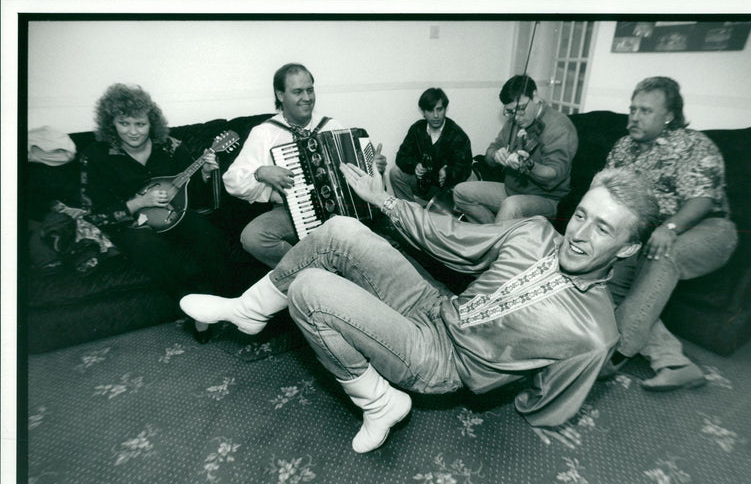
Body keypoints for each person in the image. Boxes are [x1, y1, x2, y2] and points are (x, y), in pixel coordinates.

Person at [180, 165, 659, 453]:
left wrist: (508, 390)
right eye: (581, 215)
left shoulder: (596, 333)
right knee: (341, 229)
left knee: (310, 290)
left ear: (627, 249)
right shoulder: (534, 232)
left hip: (441, 363)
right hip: (436, 306)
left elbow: (550, 401)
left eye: (602, 229)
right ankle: (250, 309)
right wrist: (384, 199)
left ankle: (380, 403)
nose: (579, 234)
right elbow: (453, 239)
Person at [601, 77, 739, 390]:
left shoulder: (693, 145)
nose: (634, 116)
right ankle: (674, 363)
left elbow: (703, 199)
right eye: (632, 108)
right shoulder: (623, 147)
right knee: (608, 278)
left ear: (669, 116)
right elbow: (606, 192)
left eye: (645, 110)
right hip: (648, 233)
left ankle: (615, 354)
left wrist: (670, 227)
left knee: (665, 254)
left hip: (708, 228)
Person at [81, 83, 236, 343]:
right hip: (130, 225)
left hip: (174, 215)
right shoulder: (96, 156)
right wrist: (139, 202)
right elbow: (96, 214)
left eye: (140, 124)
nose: (132, 131)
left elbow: (195, 196)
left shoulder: (172, 147)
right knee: (147, 246)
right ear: (111, 123)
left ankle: (231, 303)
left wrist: (207, 174)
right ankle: (194, 310)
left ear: (151, 123)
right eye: (124, 123)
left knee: (206, 233)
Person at [222, 62, 387, 268]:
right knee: (253, 237)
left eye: (310, 90)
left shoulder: (331, 125)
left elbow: (358, 171)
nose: (307, 98)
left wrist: (373, 167)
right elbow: (231, 181)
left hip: (341, 207)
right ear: (280, 95)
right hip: (291, 210)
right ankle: (317, 270)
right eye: (298, 92)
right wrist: (260, 173)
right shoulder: (264, 133)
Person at [452, 74, 578, 223]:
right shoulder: (513, 122)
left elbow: (554, 174)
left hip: (547, 199)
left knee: (511, 206)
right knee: (461, 192)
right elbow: (492, 149)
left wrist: (530, 165)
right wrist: (495, 155)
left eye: (521, 109)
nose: (516, 117)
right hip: (511, 190)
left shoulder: (559, 126)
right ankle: (491, 235)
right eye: (511, 111)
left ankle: (494, 240)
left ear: (535, 97)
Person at [389, 87, 473, 209]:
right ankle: (409, 214)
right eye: (430, 110)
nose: (435, 115)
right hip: (424, 184)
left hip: (447, 189)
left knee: (468, 181)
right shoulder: (417, 129)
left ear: (445, 109)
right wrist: (414, 165)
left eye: (439, 109)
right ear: (423, 112)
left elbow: (465, 168)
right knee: (395, 173)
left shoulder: (457, 134)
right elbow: (401, 156)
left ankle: (445, 213)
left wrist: (448, 173)